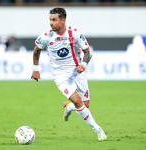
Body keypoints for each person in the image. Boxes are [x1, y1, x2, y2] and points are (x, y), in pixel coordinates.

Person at [31, 7, 107, 141]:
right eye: (50, 20)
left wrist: (83, 64)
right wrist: (35, 68)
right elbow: (37, 50)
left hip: (77, 72)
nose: (51, 23)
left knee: (85, 105)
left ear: (63, 20)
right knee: (78, 102)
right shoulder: (46, 37)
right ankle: (98, 130)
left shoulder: (74, 32)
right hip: (61, 76)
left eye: (54, 20)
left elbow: (87, 51)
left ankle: (68, 107)